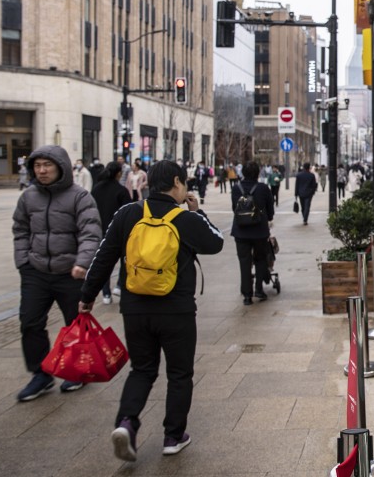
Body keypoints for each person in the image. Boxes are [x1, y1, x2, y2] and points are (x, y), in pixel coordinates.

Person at [79, 160, 224, 461]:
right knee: (179, 373)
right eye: (184, 184)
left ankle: (127, 423)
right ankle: (173, 436)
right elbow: (216, 242)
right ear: (176, 183)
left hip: (135, 309)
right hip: (177, 310)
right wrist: (197, 212)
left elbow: (104, 256)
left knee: (142, 369)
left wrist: (87, 296)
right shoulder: (186, 219)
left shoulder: (128, 213)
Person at [12, 145, 102, 402]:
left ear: (60, 167)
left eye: (46, 165)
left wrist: (83, 263)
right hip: (36, 271)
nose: (41, 170)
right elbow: (20, 229)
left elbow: (91, 233)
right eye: (37, 166)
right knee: (30, 322)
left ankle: (77, 370)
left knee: (75, 325)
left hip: (70, 272)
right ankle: (40, 374)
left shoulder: (80, 197)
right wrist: (23, 262)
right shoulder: (28, 197)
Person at [231, 162, 275, 304]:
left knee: (244, 262)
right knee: (260, 259)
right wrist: (267, 218)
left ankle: (247, 296)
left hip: (241, 231)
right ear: (258, 173)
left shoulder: (236, 188)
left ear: (243, 172)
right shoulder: (263, 188)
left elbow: (234, 208)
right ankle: (259, 290)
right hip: (260, 231)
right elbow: (270, 210)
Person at [90, 162, 132, 304]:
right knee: (125, 259)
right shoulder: (121, 191)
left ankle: (106, 294)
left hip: (99, 230)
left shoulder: (96, 189)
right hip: (118, 232)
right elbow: (128, 213)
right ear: (119, 173)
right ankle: (120, 285)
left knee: (103, 262)